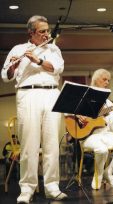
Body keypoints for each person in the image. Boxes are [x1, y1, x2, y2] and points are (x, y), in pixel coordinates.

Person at [1, 15, 67, 203]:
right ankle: (27, 188)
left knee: (52, 144)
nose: (47, 34)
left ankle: (52, 186)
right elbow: (6, 76)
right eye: (42, 31)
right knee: (29, 144)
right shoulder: (18, 49)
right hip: (28, 95)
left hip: (51, 94)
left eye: (47, 30)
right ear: (31, 32)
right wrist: (14, 66)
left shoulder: (54, 49)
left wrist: (37, 61)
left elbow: (56, 69)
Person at [77, 68, 113, 189]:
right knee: (102, 150)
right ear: (96, 80)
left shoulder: (109, 104)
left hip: (107, 135)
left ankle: (109, 172)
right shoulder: (85, 97)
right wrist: (78, 115)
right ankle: (99, 176)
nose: (107, 82)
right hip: (89, 136)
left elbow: (112, 128)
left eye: (108, 80)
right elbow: (70, 112)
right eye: (104, 79)